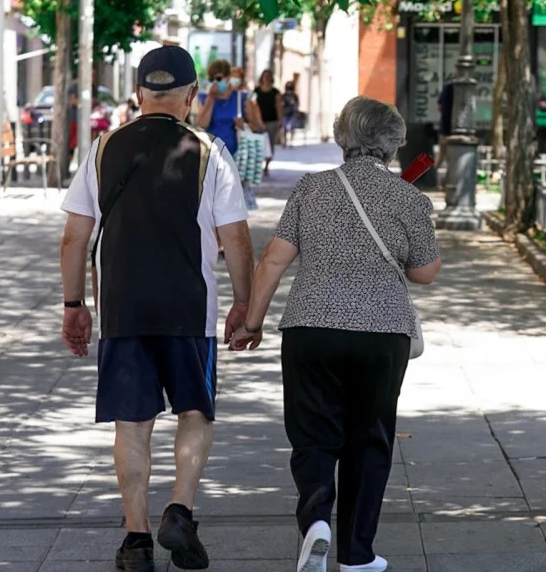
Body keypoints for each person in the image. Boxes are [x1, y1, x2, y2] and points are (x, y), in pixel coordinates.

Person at [59, 45, 255, 572]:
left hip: (122, 307)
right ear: (192, 96)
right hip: (190, 307)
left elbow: (74, 239)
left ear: (140, 94)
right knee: (195, 410)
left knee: (133, 422)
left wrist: (74, 304)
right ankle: (180, 511)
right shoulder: (210, 151)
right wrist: (245, 304)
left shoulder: (102, 149)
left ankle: (137, 540)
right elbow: (235, 239)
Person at [230, 96, 442, 572]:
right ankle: (357, 555)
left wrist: (252, 323)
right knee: (369, 438)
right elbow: (425, 272)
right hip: (381, 333)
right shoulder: (408, 197)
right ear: (393, 144)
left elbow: (274, 261)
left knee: (312, 435)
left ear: (341, 137)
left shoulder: (311, 189)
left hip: (310, 329)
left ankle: (316, 525)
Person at [197, 60, 264, 211]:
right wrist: (211, 99)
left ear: (228, 77)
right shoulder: (205, 98)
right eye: (212, 79)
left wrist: (243, 125)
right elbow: (201, 124)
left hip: (235, 155)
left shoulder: (241, 98)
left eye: (219, 78)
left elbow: (256, 126)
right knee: (212, 202)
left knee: (230, 203)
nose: (216, 82)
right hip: (211, 155)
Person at [253, 70, 284, 175]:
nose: (266, 78)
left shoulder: (275, 92)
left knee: (270, 144)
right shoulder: (256, 91)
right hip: (258, 121)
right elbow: (252, 105)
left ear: (271, 78)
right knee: (258, 144)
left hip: (272, 121)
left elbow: (279, 107)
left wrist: (280, 120)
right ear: (261, 78)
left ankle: (266, 165)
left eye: (268, 76)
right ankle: (258, 165)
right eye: (264, 76)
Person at [434, 81, 454, 184]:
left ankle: (433, 177)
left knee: (441, 153)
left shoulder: (447, 87)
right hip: (455, 129)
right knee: (452, 157)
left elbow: (439, 106)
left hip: (445, 127)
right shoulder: (462, 89)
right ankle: (447, 181)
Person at [282, 80, 300, 148]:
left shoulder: (294, 95)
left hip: (292, 114)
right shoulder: (284, 95)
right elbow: (281, 104)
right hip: (285, 113)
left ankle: (291, 142)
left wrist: (294, 105)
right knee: (284, 129)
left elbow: (297, 104)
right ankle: (285, 141)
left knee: (292, 128)